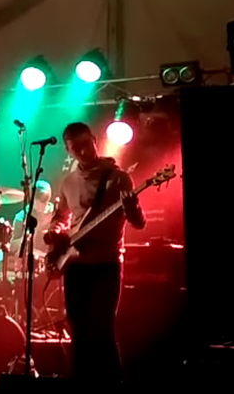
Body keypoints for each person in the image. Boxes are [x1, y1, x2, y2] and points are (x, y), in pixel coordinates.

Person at [45, 122, 146, 382]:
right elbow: (61, 217)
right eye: (75, 148)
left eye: (85, 144)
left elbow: (138, 223)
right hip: (75, 265)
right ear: (67, 151)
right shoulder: (68, 182)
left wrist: (132, 208)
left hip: (105, 264)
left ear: (94, 140)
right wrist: (55, 232)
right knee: (78, 333)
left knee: (103, 332)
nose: (82, 151)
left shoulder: (118, 178)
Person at [9, 180, 54, 257]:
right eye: (36, 203)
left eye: (43, 202)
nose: (39, 207)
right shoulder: (21, 217)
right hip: (30, 259)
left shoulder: (56, 215)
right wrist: (25, 238)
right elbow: (13, 246)